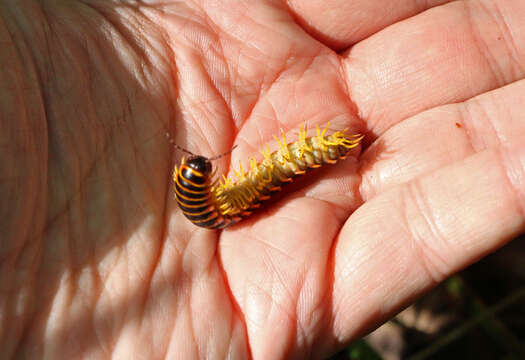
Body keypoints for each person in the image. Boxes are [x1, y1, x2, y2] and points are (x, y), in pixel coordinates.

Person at [2, 0, 524, 358]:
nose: (201, 167)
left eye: (196, 171)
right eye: (199, 172)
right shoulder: (219, 204)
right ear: (201, 193)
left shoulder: (214, 199)